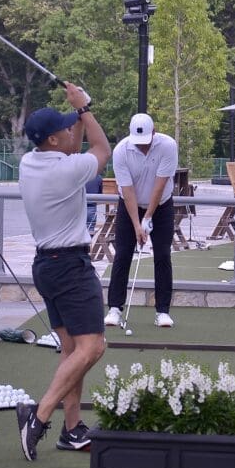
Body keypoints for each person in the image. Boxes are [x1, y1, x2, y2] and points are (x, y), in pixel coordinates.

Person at [15, 82, 111, 461]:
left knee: (72, 350)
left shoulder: (31, 161)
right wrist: (86, 107)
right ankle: (37, 418)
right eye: (66, 127)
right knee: (94, 347)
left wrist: (79, 113)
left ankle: (72, 430)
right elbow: (103, 151)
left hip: (47, 266)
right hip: (70, 266)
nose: (73, 130)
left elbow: (72, 149)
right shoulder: (65, 171)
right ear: (53, 140)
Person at [104, 113, 179, 329]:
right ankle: (115, 308)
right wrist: (137, 224)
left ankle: (162, 311)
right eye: (138, 144)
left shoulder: (168, 146)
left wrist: (147, 218)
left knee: (163, 255)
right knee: (123, 253)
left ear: (154, 133)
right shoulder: (121, 151)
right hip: (129, 205)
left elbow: (160, 185)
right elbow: (127, 190)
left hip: (162, 205)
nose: (142, 147)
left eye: (146, 142)